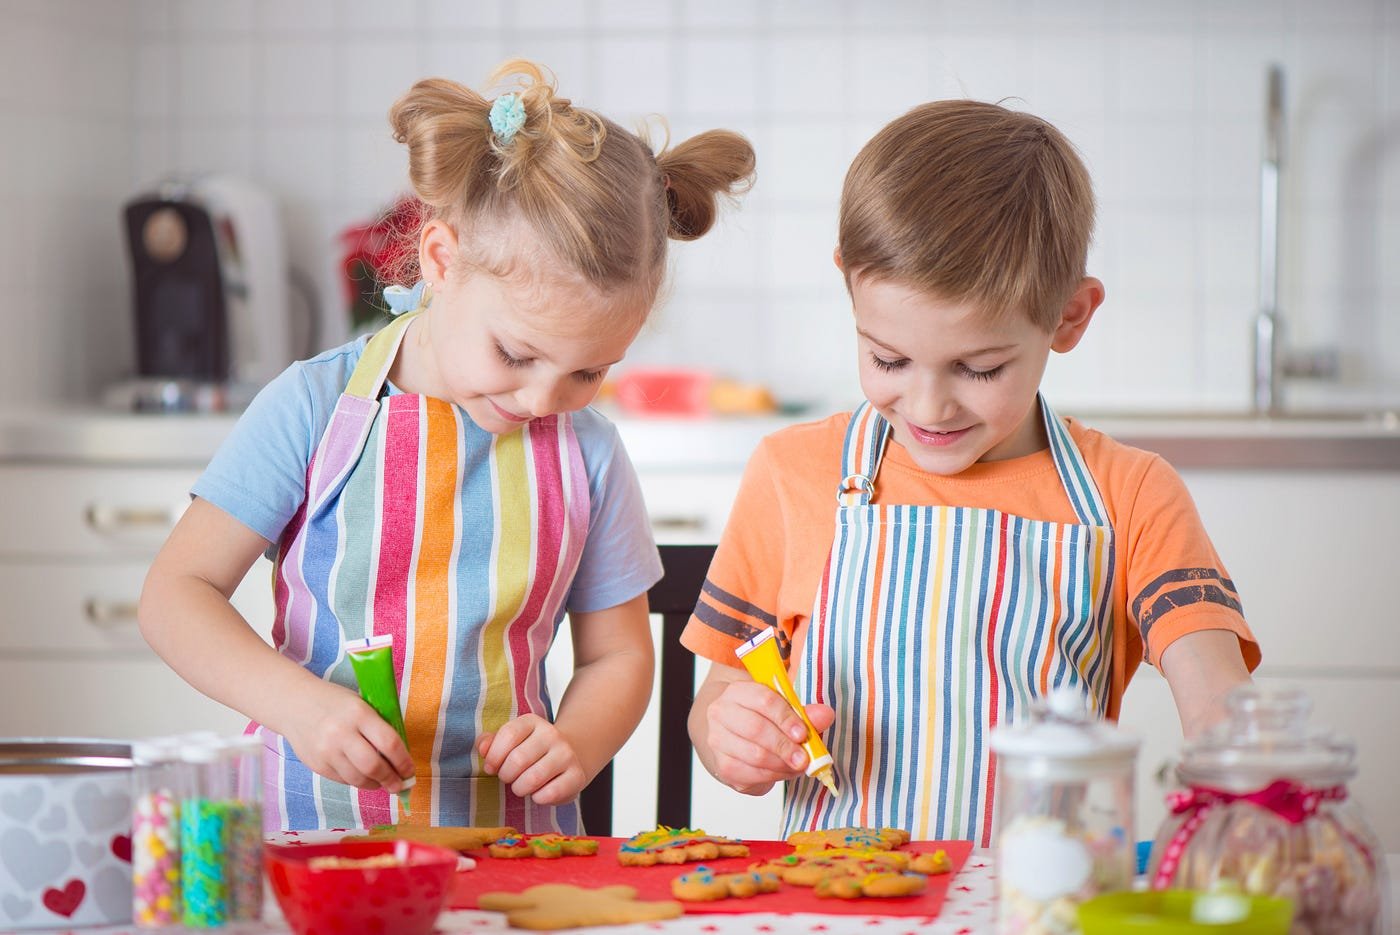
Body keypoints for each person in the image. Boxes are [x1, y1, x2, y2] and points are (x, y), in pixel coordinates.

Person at [140, 59, 755, 833]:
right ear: (441, 260)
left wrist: (577, 740)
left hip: (510, 848)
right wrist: (298, 705)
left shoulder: (589, 453)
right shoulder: (314, 407)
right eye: (517, 354)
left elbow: (619, 658)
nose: (542, 400)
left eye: (588, 371)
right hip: (311, 835)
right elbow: (175, 596)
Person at [681, 100, 1258, 845]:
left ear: (1069, 317)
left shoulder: (1131, 493)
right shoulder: (795, 474)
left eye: (978, 368)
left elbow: (1217, 701)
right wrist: (733, 735)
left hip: (1038, 907)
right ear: (849, 288)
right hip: (841, 906)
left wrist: (1248, 801)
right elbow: (717, 699)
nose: (927, 404)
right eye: (888, 358)